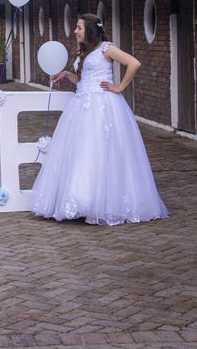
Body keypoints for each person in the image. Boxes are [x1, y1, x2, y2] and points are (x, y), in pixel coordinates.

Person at [31, 13, 168, 225]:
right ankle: (81, 199)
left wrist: (120, 86)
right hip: (81, 105)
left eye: (78, 27)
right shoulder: (85, 51)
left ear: (90, 30)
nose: (75, 31)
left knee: (102, 151)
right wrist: (68, 75)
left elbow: (134, 64)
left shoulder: (107, 48)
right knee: (81, 153)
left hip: (103, 107)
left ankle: (103, 203)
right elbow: (83, 80)